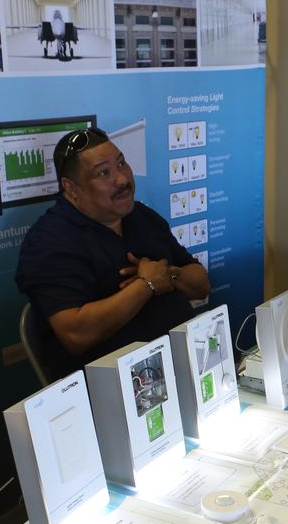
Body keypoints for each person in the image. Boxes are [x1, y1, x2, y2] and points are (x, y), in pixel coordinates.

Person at [16, 128, 210, 381]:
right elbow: (76, 334)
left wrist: (168, 276)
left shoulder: (141, 217)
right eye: (103, 173)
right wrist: (146, 285)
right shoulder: (49, 241)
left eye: (121, 163)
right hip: (112, 391)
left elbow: (201, 284)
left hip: (184, 368)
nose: (122, 179)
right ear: (71, 188)